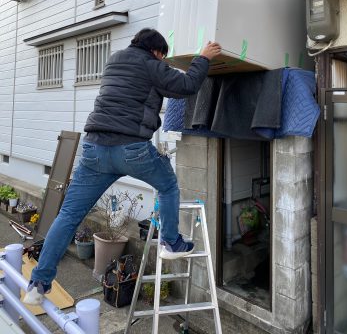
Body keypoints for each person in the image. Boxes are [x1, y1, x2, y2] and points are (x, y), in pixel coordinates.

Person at [24, 28, 221, 305]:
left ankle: (38, 283)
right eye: (163, 57)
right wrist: (203, 57)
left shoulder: (114, 60)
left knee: (68, 215)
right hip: (131, 149)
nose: (163, 62)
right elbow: (187, 86)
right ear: (156, 51)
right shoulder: (151, 64)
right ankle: (171, 241)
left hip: (93, 150)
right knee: (167, 185)